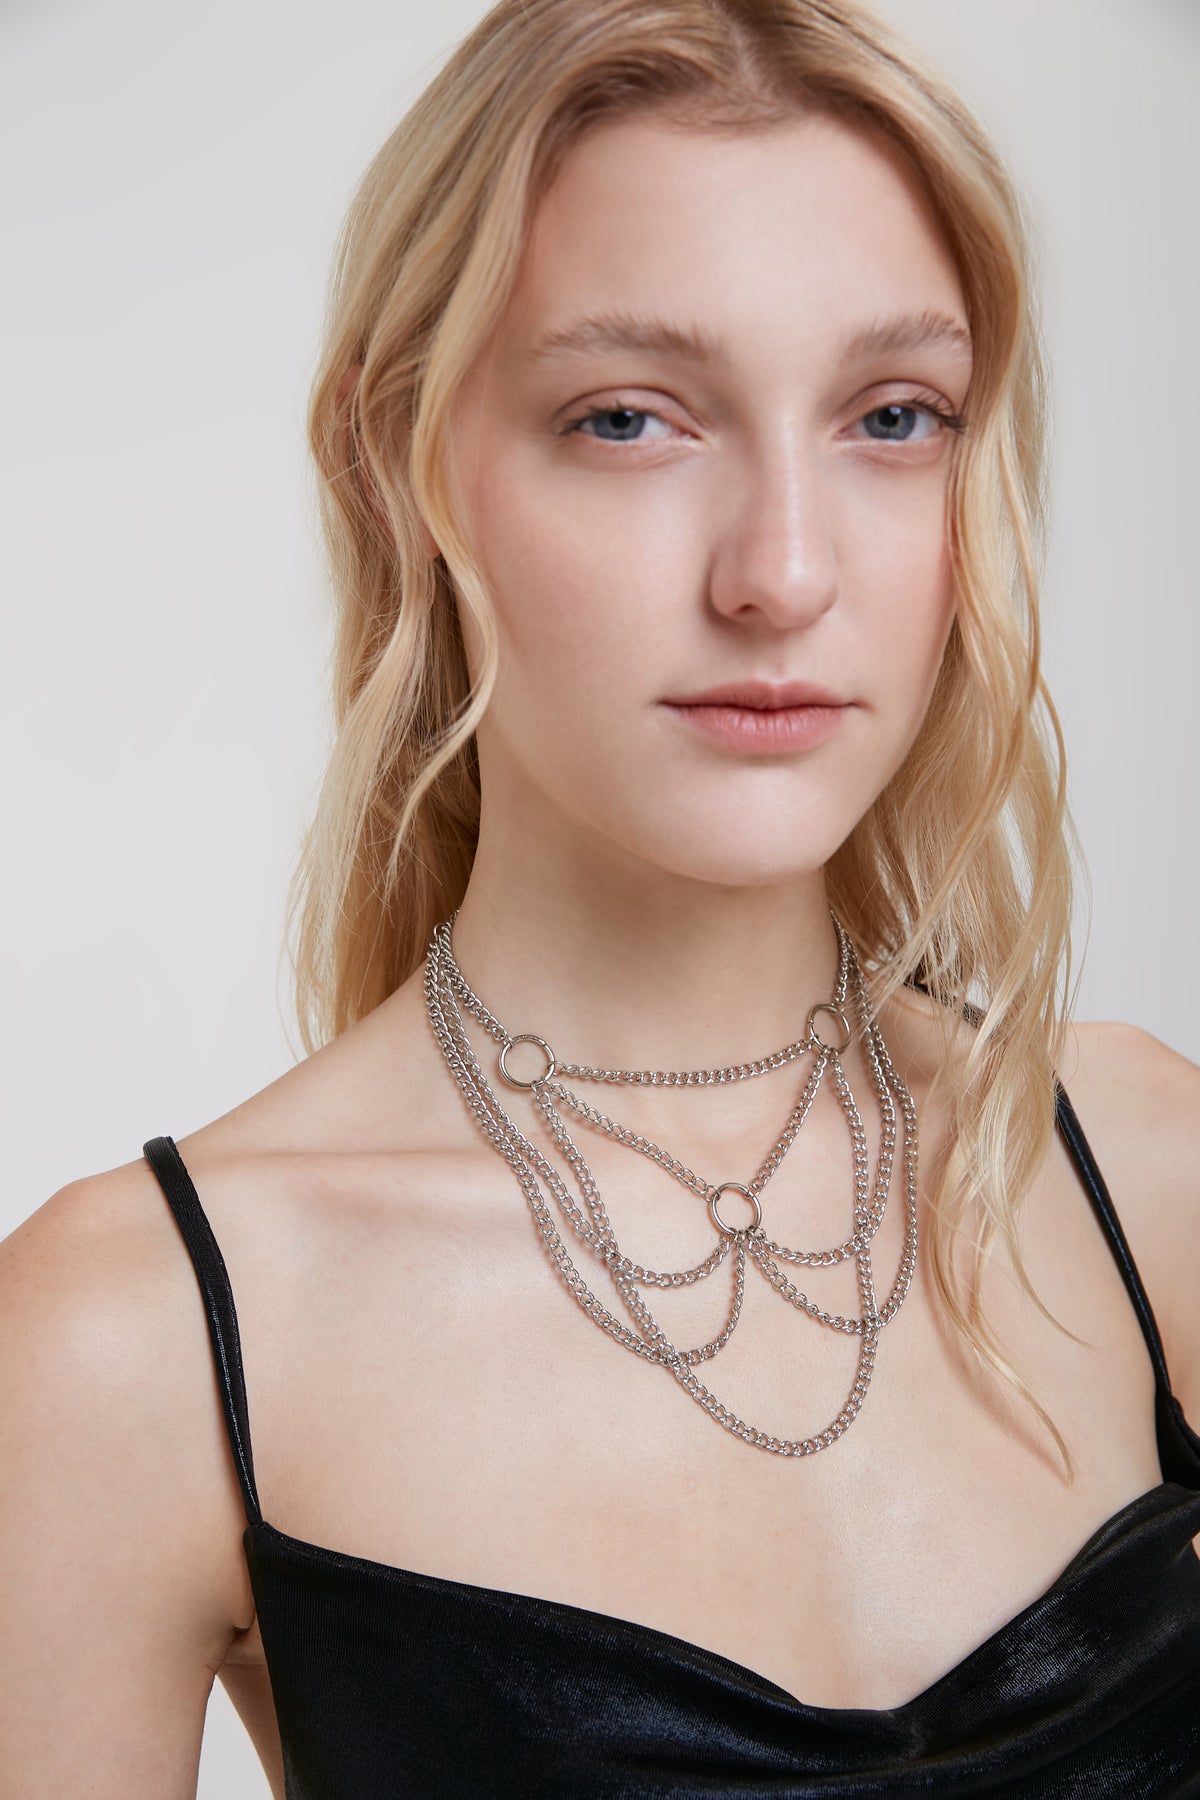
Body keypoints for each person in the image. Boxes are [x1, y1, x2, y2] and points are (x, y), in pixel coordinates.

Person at [2, 0, 1198, 1792]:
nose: (782, 572)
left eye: (892, 416)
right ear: (399, 467)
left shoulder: (1148, 1172)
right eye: (631, 419)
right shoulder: (135, 1343)